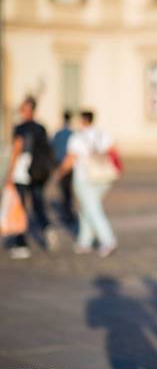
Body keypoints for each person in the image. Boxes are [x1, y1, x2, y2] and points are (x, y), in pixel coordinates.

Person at [57, 110, 118, 258]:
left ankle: (108, 240)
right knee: (86, 209)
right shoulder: (101, 134)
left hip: (84, 178)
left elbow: (70, 159)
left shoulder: (76, 138)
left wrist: (60, 172)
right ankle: (85, 241)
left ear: (82, 120)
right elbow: (112, 152)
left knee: (92, 209)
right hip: (103, 178)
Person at [3, 96, 57, 259]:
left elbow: (17, 149)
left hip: (22, 172)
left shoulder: (20, 128)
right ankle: (47, 227)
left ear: (27, 110)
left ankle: (21, 244)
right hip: (38, 173)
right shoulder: (41, 128)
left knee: (20, 208)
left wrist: (9, 174)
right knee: (38, 203)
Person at [51, 110, 77, 226]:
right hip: (71, 166)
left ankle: (67, 212)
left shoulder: (58, 133)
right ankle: (69, 212)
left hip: (61, 164)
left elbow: (52, 147)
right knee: (69, 191)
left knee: (63, 190)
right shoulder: (73, 133)